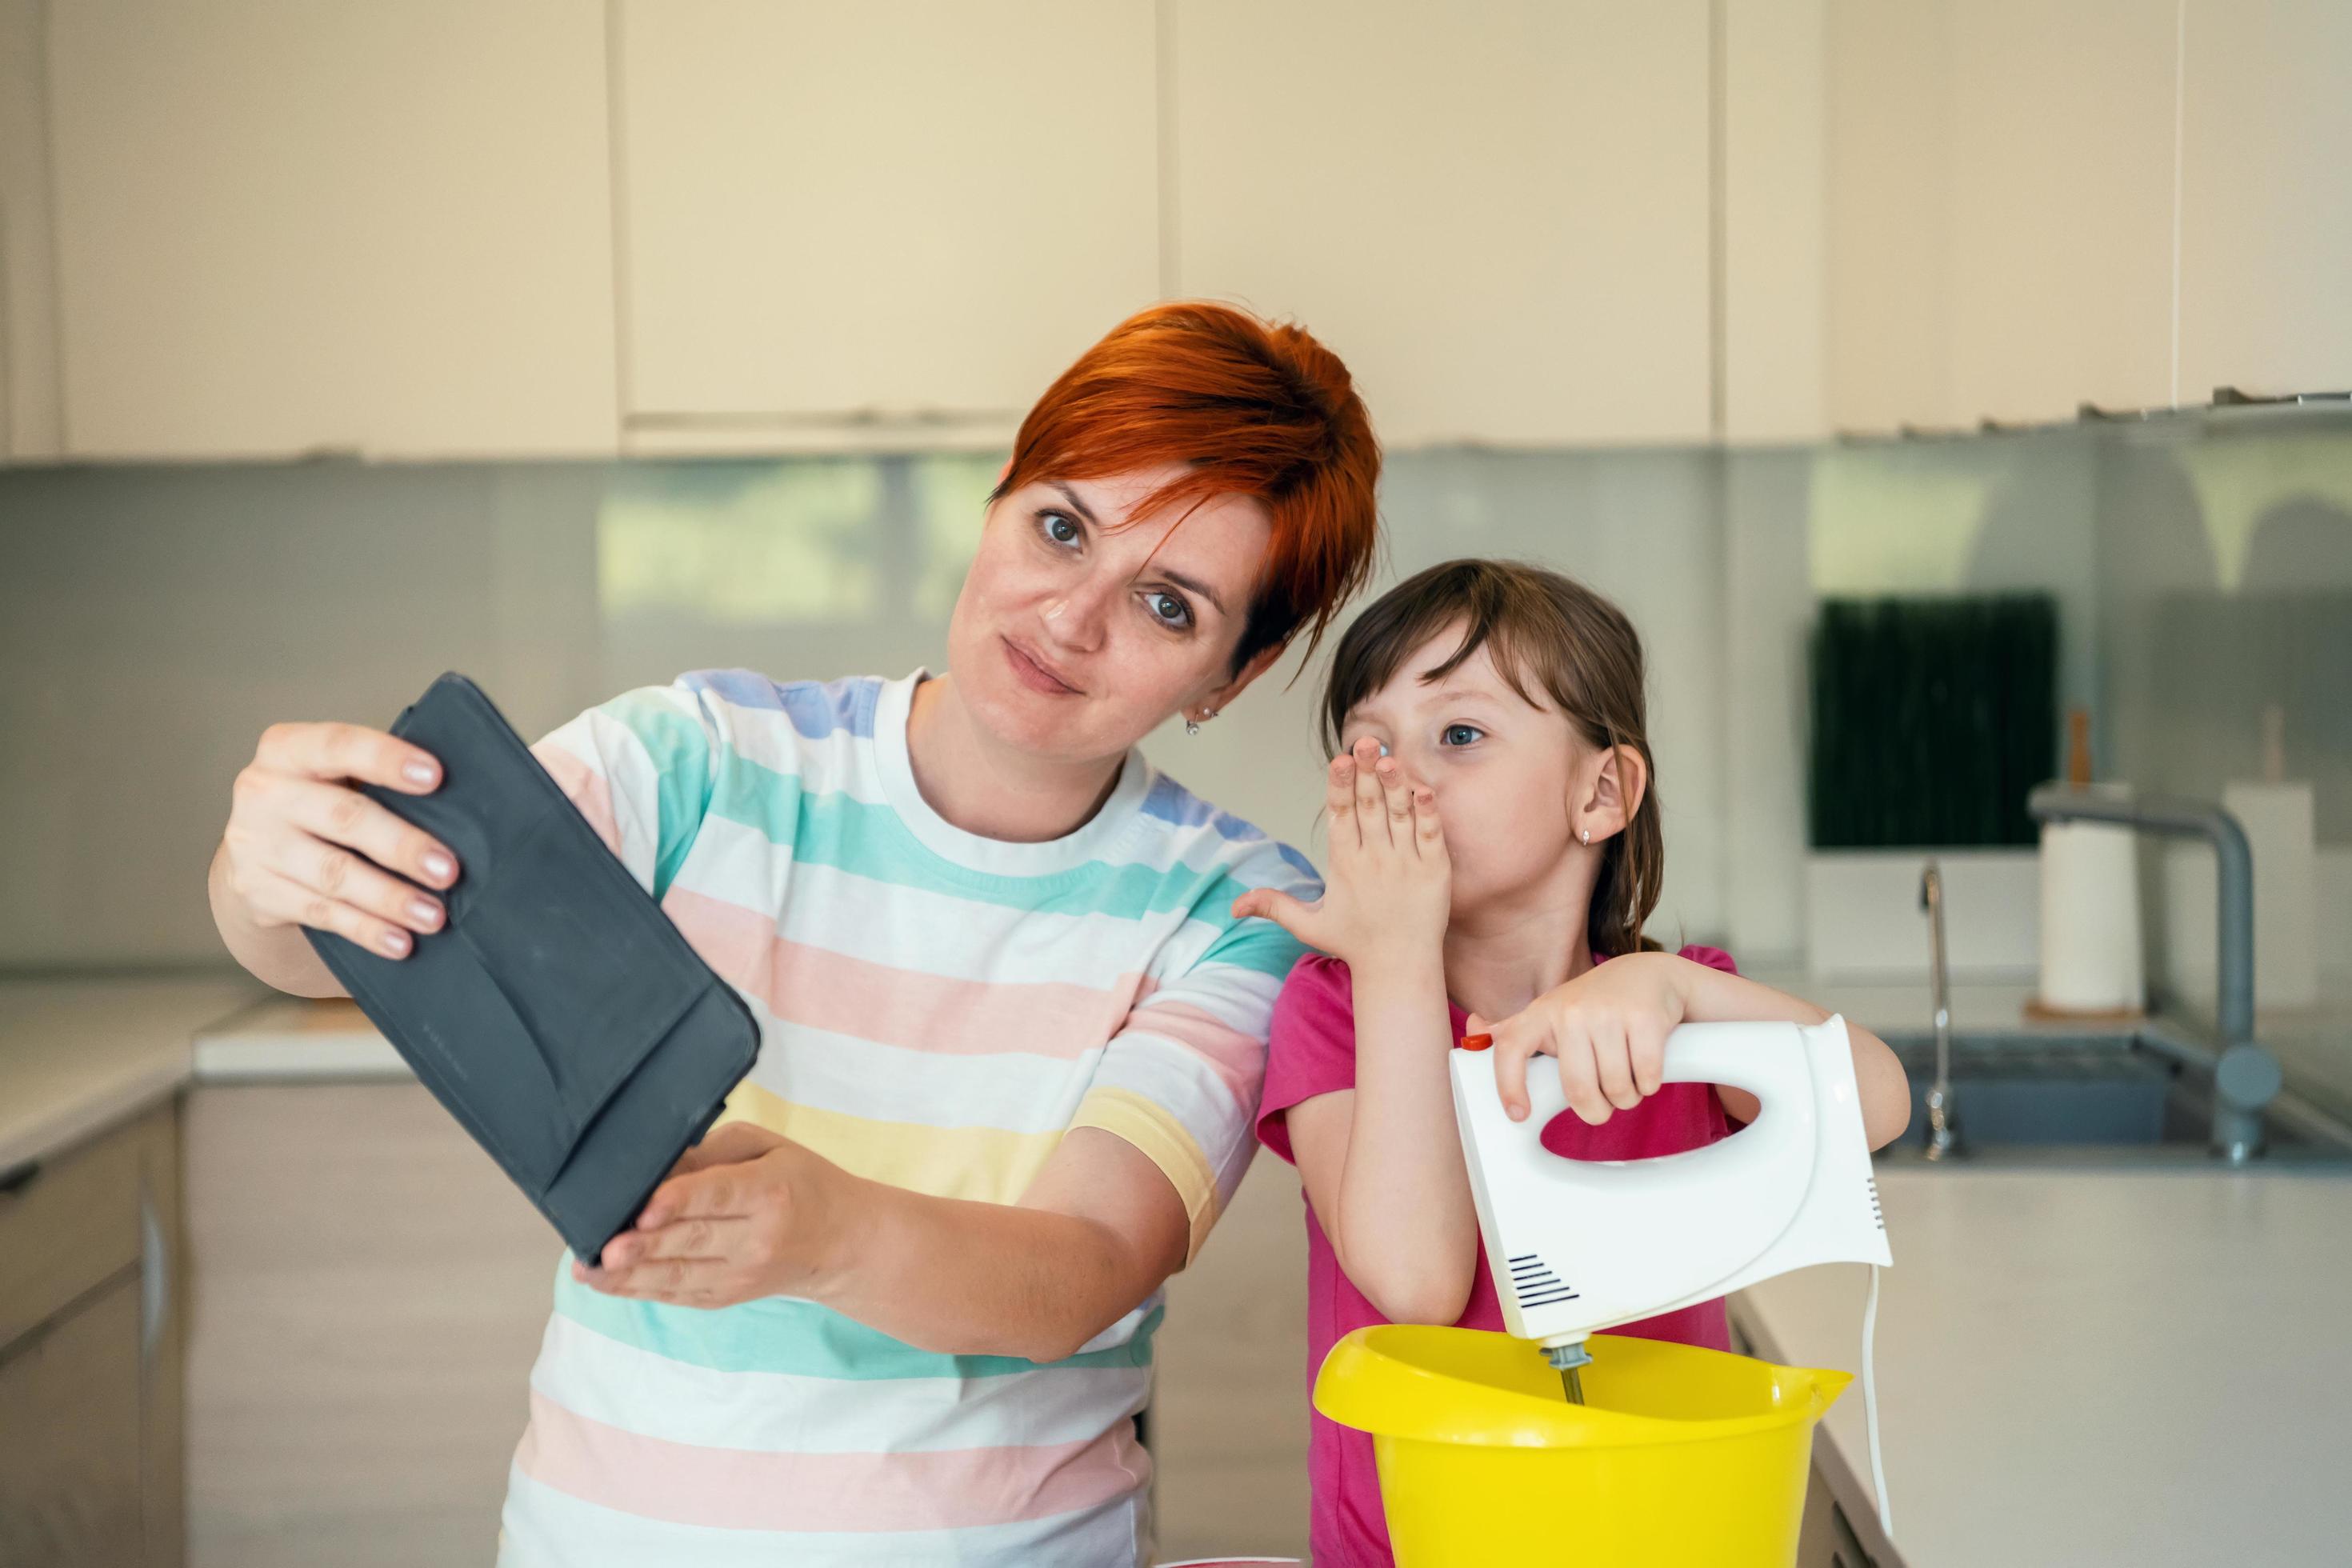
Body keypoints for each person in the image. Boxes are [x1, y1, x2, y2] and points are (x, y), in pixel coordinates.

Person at [205, 302, 1382, 1564]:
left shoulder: (1238, 912)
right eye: (1060, 526)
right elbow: (339, 941)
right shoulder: (705, 760)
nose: (1070, 618)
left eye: (1167, 606)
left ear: (1228, 678)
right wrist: (267, 874)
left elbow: (1082, 1270)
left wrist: (830, 1234)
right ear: (997, 499)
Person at [1234, 558, 1912, 1566]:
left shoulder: (1677, 1011)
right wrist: (1394, 956)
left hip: (1660, 1535)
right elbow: (1417, 1279)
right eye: (1368, 743)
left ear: (1602, 791)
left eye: (1458, 735)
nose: (1397, 775)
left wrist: (1685, 991)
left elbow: (1877, 1103)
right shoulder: (1339, 1007)